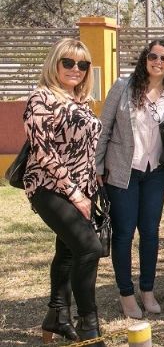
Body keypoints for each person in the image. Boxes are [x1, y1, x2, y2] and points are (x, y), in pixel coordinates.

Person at [23, 39, 105, 345]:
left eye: (82, 64)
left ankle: (56, 316)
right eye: (68, 62)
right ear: (54, 64)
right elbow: (43, 152)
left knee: (69, 251)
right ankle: (89, 327)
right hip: (48, 187)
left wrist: (93, 184)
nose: (75, 69)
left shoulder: (79, 100)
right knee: (90, 248)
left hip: (82, 187)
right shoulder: (40, 98)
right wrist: (75, 193)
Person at [96, 40, 164, 319]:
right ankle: (126, 294)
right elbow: (104, 129)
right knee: (124, 233)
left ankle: (147, 290)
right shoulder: (123, 87)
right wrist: (97, 169)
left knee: (151, 233)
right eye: (153, 56)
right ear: (145, 58)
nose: (158, 61)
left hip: (155, 173)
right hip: (124, 173)